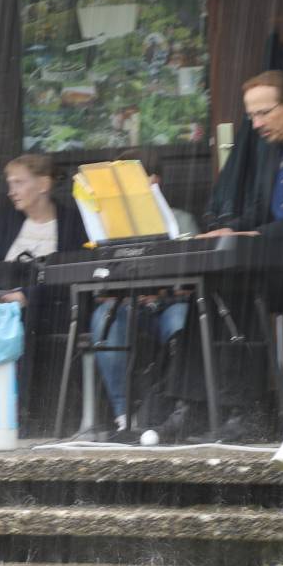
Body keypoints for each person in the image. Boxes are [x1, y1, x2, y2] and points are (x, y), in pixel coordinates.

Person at [188, 69, 283, 440]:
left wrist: (258, 233)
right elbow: (260, 212)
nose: (256, 123)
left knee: (241, 289)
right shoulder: (268, 153)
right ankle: (204, 406)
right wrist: (231, 229)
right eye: (251, 116)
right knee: (212, 291)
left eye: (263, 113)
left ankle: (253, 409)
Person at [85, 148, 197, 440]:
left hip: (171, 306)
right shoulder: (108, 227)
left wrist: (159, 295)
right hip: (130, 309)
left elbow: (195, 284)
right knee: (104, 319)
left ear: (154, 181)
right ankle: (125, 417)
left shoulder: (181, 221)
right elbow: (100, 288)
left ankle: (178, 409)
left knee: (182, 320)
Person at [0, 154, 88, 429]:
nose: (12, 191)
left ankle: (23, 409)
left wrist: (29, 296)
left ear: (43, 184)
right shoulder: (7, 221)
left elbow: (73, 275)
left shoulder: (71, 222)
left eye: (19, 183)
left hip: (54, 306)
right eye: (10, 183)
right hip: (6, 306)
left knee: (22, 320)